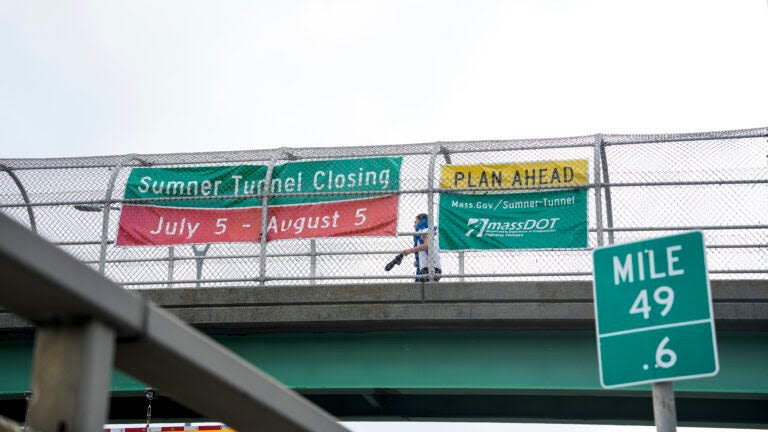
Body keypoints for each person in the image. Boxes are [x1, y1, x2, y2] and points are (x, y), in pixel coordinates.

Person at [402, 213, 442, 282]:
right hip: (434, 267)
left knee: (425, 290)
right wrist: (418, 262)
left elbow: (427, 245)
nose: (414, 225)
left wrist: (410, 251)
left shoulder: (424, 230)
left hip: (429, 268)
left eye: (415, 222)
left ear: (421, 221)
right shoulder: (432, 231)